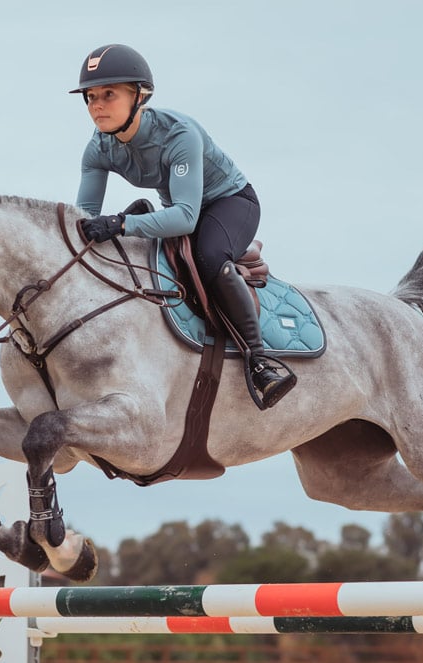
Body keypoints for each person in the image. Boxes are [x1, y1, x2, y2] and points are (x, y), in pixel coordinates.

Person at [71, 44, 296, 409]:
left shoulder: (179, 135)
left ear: (140, 95)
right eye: (90, 96)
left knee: (209, 255)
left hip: (230, 203)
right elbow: (83, 217)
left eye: (108, 94)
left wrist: (121, 222)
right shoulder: (98, 148)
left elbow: (186, 217)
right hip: (179, 207)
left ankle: (260, 362)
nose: (96, 105)